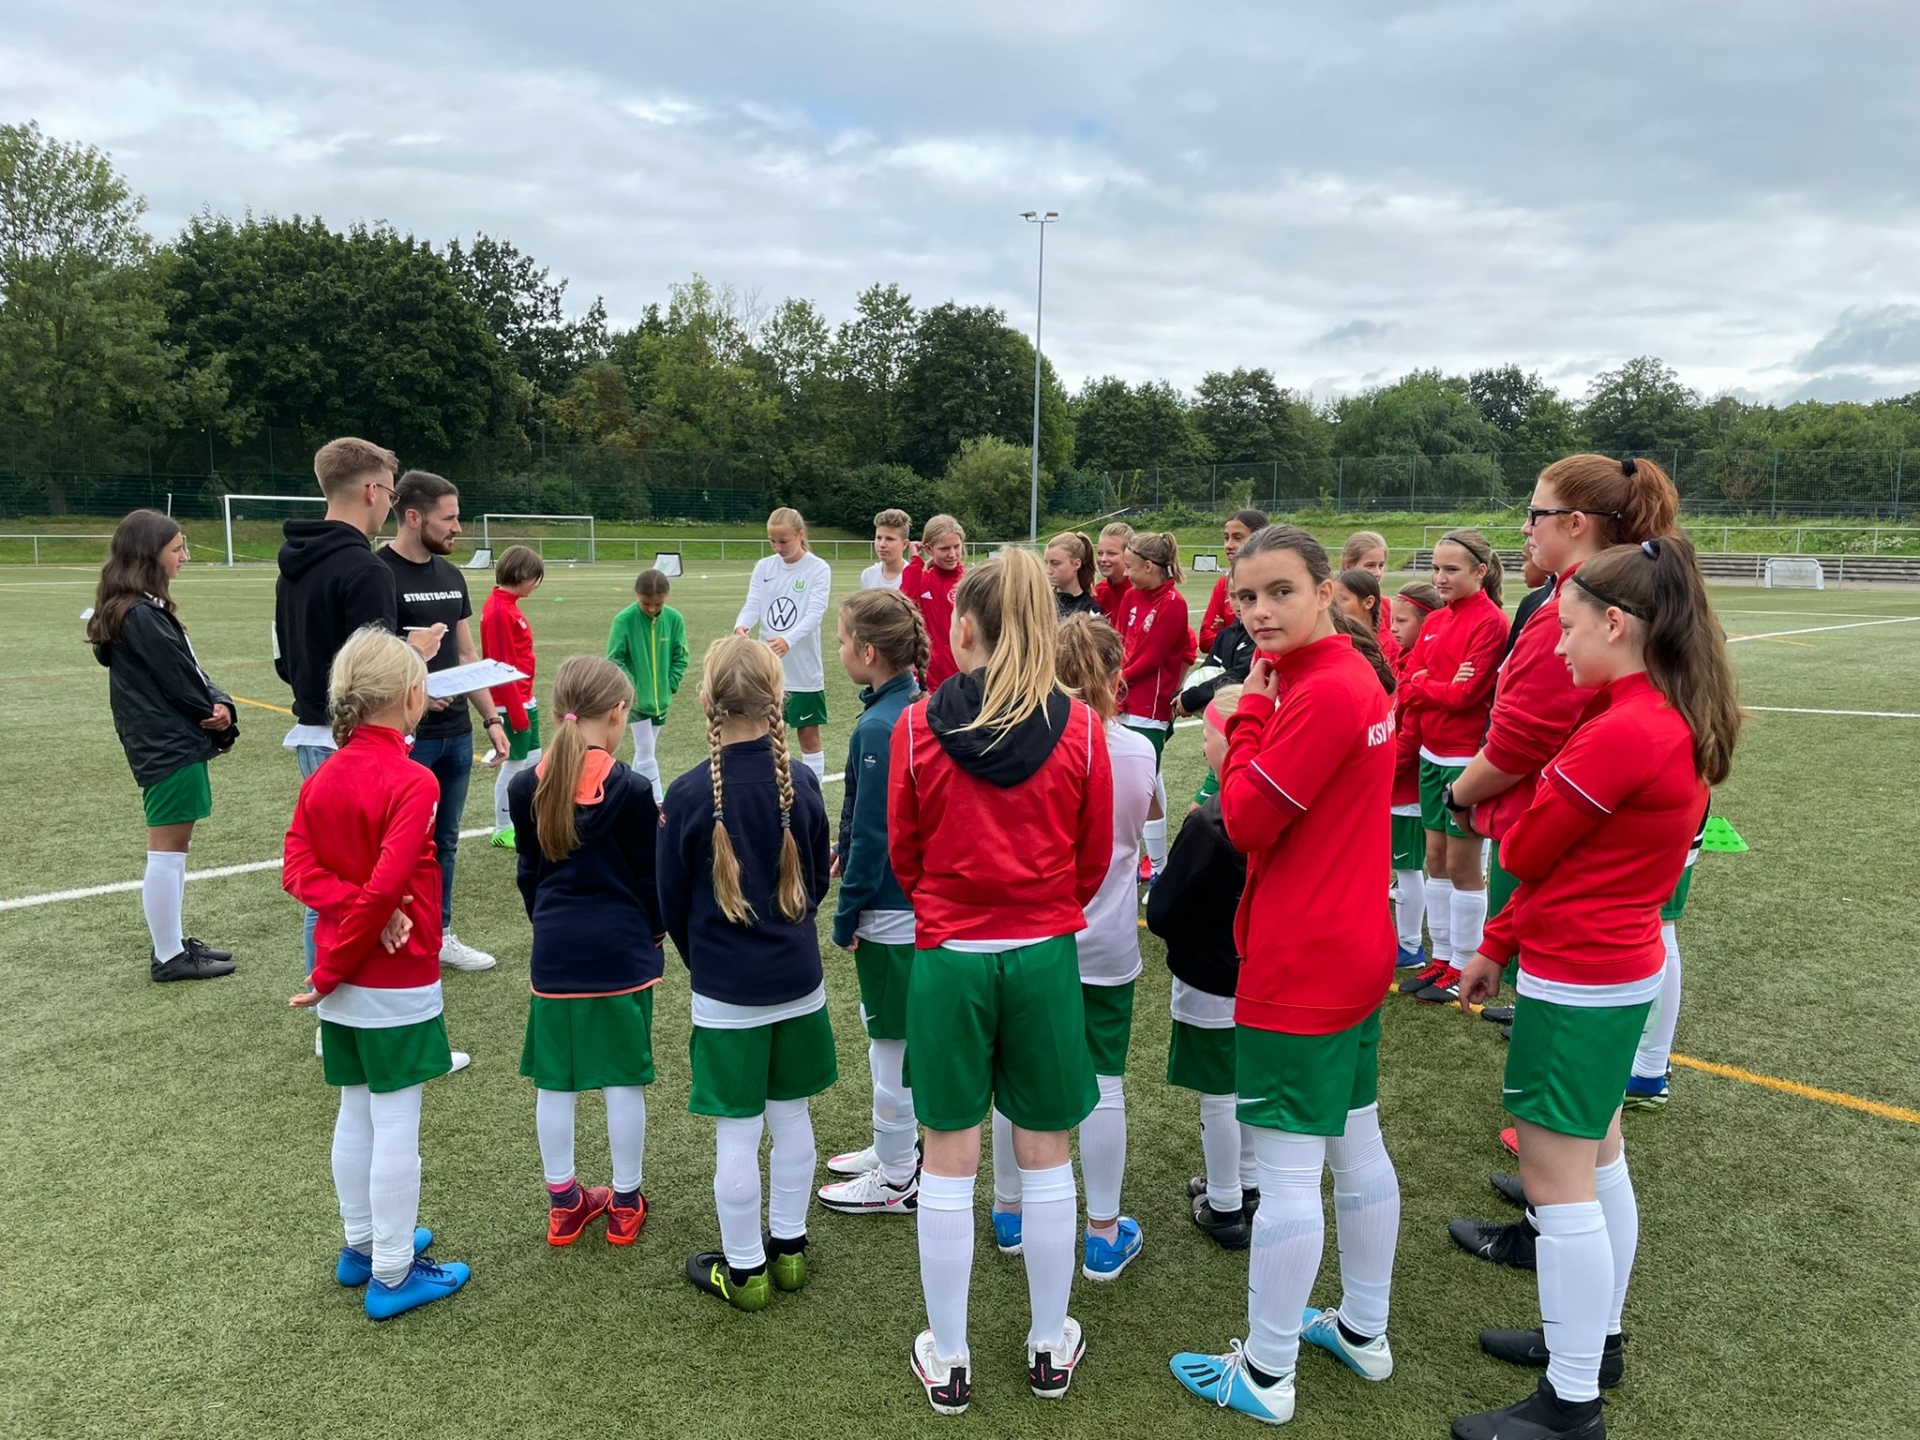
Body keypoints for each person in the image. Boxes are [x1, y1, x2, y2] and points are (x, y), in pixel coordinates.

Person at [1450, 535, 1740, 1440]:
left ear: (1616, 625)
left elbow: (1531, 848)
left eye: (1568, 629)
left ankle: (1572, 1402)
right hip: (1609, 963)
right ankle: (1593, 1340)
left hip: (1584, 975)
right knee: (1599, 1156)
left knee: (1558, 1180)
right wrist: (1499, 939)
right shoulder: (1655, 711)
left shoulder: (1624, 729)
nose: (1560, 646)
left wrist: (1509, 821)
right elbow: (1563, 864)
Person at [1170, 525, 1401, 1428]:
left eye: (1279, 592)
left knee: (1290, 1168)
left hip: (1304, 955)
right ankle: (1363, 1329)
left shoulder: (1325, 687)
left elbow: (1245, 818)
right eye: (1245, 597)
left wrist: (1238, 723)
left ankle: (1266, 1374)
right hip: (1350, 939)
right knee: (1355, 1142)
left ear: (1326, 593)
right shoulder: (1343, 674)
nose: (1259, 612)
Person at [889, 547, 1112, 1415]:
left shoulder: (916, 727)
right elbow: (1092, 860)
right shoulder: (1083, 728)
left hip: (950, 957)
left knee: (948, 1157)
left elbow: (905, 854)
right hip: (1043, 955)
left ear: (964, 629)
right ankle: (1048, 1342)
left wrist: (958, 907)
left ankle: (950, 1357)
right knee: (1046, 1151)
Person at [1445, 459, 1680, 1030]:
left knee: (1568, 1040)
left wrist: (1458, 797)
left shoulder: (1577, 609)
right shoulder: (1618, 595)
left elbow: (1520, 742)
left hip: (1571, 836)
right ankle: (1641, 1067)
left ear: (1576, 523)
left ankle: (1641, 1069)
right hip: (1595, 824)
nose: (1526, 527)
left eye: (1536, 513)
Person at [284, 627, 471, 1321]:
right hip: (391, 977)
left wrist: (344, 931)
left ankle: (363, 1244)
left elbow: (298, 870)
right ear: (413, 696)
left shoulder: (325, 773)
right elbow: (387, 881)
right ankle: (392, 1272)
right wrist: (339, 959)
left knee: (357, 1109)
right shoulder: (413, 779)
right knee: (395, 1119)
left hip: (347, 972)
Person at [660, 636, 835, 1313]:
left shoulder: (685, 794)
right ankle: (788, 1252)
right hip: (798, 983)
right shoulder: (803, 784)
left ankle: (746, 1272)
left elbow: (670, 904)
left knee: (737, 1130)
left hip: (726, 991)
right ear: (778, 700)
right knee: (791, 1117)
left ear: (706, 701)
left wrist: (706, 963)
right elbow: (815, 885)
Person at [987, 615, 1153, 1280]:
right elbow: (1145, 826)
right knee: (1104, 1083)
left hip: (1034, 936)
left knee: (1016, 1079)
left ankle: (1010, 1212)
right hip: (1104, 941)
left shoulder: (1020, 744)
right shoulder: (1135, 750)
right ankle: (1102, 1232)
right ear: (1117, 676)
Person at [274, 438, 445, 981]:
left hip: (310, 731)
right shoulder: (368, 570)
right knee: (373, 879)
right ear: (372, 491)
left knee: (325, 880)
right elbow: (378, 675)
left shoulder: (291, 566)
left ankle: (329, 1002)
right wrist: (414, 653)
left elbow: (283, 661)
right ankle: (357, 998)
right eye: (391, 495)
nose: (389, 506)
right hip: (354, 741)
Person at [509, 657, 662, 1249]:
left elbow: (529, 874)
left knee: (556, 1082)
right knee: (623, 1079)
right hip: (621, 950)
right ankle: (625, 1202)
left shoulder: (526, 784)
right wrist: (655, 933)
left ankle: (564, 1204)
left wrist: (548, 926)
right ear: (618, 713)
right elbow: (650, 880)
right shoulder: (633, 788)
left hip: (556, 950)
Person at [89, 510, 239, 982]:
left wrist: (220, 703)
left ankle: (171, 945)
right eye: (177, 549)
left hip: (164, 743)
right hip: (169, 746)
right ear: (148, 556)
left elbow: (189, 674)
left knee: (173, 848)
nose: (185, 556)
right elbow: (183, 682)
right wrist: (221, 721)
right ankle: (169, 955)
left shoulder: (136, 610)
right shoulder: (140, 614)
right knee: (167, 851)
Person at [818, 590, 930, 1215]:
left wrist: (846, 913)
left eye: (841, 641)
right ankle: (896, 1150)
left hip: (891, 909)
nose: (838, 651)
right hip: (911, 903)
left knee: (891, 1046)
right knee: (890, 1039)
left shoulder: (880, 725)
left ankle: (897, 1178)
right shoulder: (908, 705)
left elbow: (875, 834)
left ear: (867, 652)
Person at [377, 470, 508, 974]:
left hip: (456, 735)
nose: (458, 528)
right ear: (413, 517)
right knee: (397, 846)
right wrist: (415, 693)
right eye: (449, 518)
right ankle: (391, 935)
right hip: (405, 739)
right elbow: (369, 659)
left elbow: (466, 653)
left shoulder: (452, 576)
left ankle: (439, 934)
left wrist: (491, 717)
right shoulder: (378, 574)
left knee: (444, 842)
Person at [1148, 685, 1259, 1249]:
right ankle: (1249, 1183)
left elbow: (1164, 908)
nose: (1205, 744)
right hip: (1265, 974)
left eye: (1210, 735)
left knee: (1218, 1092)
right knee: (1251, 1081)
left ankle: (1224, 1202)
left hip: (1210, 974)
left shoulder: (1211, 823)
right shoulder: (1290, 808)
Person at [1395, 530, 1507, 1005]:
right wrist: (1433, 682)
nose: (1440, 578)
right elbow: (1406, 682)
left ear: (1480, 572)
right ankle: (1441, 958)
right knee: (1435, 860)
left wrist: (1428, 682)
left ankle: (1463, 962)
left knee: (1463, 866)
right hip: (1429, 755)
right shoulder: (1437, 619)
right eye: (1436, 568)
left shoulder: (1491, 622)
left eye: (1451, 569)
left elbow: (1465, 697)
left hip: (1465, 760)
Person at [734, 507, 833, 784]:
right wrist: (741, 626)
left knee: (808, 735)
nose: (778, 548)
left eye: (783, 541)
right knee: (766, 735)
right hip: (767, 670)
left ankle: (813, 793)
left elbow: (815, 613)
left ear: (800, 535)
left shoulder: (818, 568)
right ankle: (771, 789)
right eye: (772, 541)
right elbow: (753, 603)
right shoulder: (764, 567)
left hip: (804, 671)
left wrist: (788, 639)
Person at [1117, 531, 1195, 881]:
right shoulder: (1131, 595)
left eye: (1130, 566)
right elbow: (1121, 642)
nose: (1126, 573)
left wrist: (1116, 680)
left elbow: (1152, 659)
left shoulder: (1173, 603)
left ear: (1149, 566)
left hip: (1150, 708)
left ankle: (1160, 869)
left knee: (1143, 786)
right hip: (1123, 699)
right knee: (1149, 777)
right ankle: (1143, 863)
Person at [1387, 583, 1444, 970]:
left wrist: (1384, 769)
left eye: (1402, 621)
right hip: (1400, 785)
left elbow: (1411, 735)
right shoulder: (1405, 661)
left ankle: (1410, 947)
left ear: (1427, 625)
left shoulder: (1421, 669)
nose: (1393, 627)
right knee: (1403, 867)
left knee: (1408, 868)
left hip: (1406, 789)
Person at [607, 568, 690, 806]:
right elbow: (615, 659)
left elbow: (681, 655)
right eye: (646, 604)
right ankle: (656, 801)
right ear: (637, 595)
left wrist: (669, 684)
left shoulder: (674, 619)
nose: (652, 609)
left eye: (658, 604)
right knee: (645, 749)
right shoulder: (624, 620)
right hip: (635, 702)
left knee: (645, 751)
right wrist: (632, 690)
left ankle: (630, 796)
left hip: (661, 701)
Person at [483, 545, 544, 848]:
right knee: (515, 763)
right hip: (510, 703)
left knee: (533, 758)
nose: (536, 585)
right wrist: (516, 711)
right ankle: (503, 827)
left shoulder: (508, 606)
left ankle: (524, 818)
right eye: (535, 578)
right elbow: (501, 664)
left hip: (523, 697)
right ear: (521, 574)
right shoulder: (499, 611)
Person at [900, 513, 967, 690]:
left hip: (963, 675)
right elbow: (903, 606)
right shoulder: (922, 580)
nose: (952, 554)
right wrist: (915, 561)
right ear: (929, 550)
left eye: (956, 546)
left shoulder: (968, 582)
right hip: (929, 677)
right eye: (944, 549)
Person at [1197, 509, 1267, 650]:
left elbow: (1269, 639)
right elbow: (1205, 640)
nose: (1228, 545)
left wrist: (1224, 633)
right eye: (1226, 538)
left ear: (1259, 539)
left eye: (1237, 538)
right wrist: (1231, 635)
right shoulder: (1223, 584)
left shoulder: (1271, 583)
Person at [1342, 530, 1396, 658]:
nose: (1377, 573)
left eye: (1381, 565)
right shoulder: (1330, 606)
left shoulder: (1389, 608)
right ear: (1348, 566)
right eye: (1370, 565)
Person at [1334, 567, 1399, 669]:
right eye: (1333, 600)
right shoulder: (1335, 634)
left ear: (1368, 603)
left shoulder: (1386, 643)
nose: (1334, 605)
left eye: (1342, 599)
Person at [1045, 531, 1104, 620]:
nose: (1048, 570)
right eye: (1047, 563)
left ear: (1076, 564)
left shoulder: (1090, 610)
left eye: (1055, 563)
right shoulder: (1043, 601)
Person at [1093, 522, 1134, 623]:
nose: (1103, 559)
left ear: (1128, 555)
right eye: (1100, 553)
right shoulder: (1099, 592)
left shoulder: (1141, 593)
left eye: (1111, 554)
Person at [862, 508, 912, 590]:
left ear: (904, 544)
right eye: (879, 538)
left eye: (889, 539)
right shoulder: (868, 575)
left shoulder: (914, 577)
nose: (882, 544)